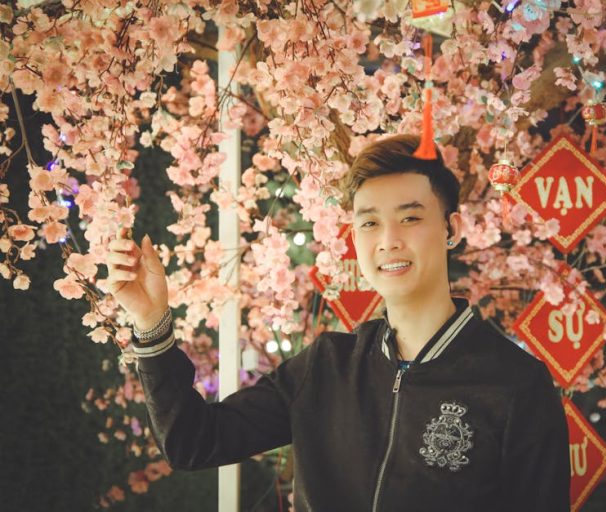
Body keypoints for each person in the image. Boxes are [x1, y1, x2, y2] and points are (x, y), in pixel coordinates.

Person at [106, 134, 570, 511]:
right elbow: (192, 442)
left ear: (452, 229)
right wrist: (151, 321)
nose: (388, 241)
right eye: (369, 224)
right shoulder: (326, 366)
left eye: (410, 218)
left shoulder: (515, 384)